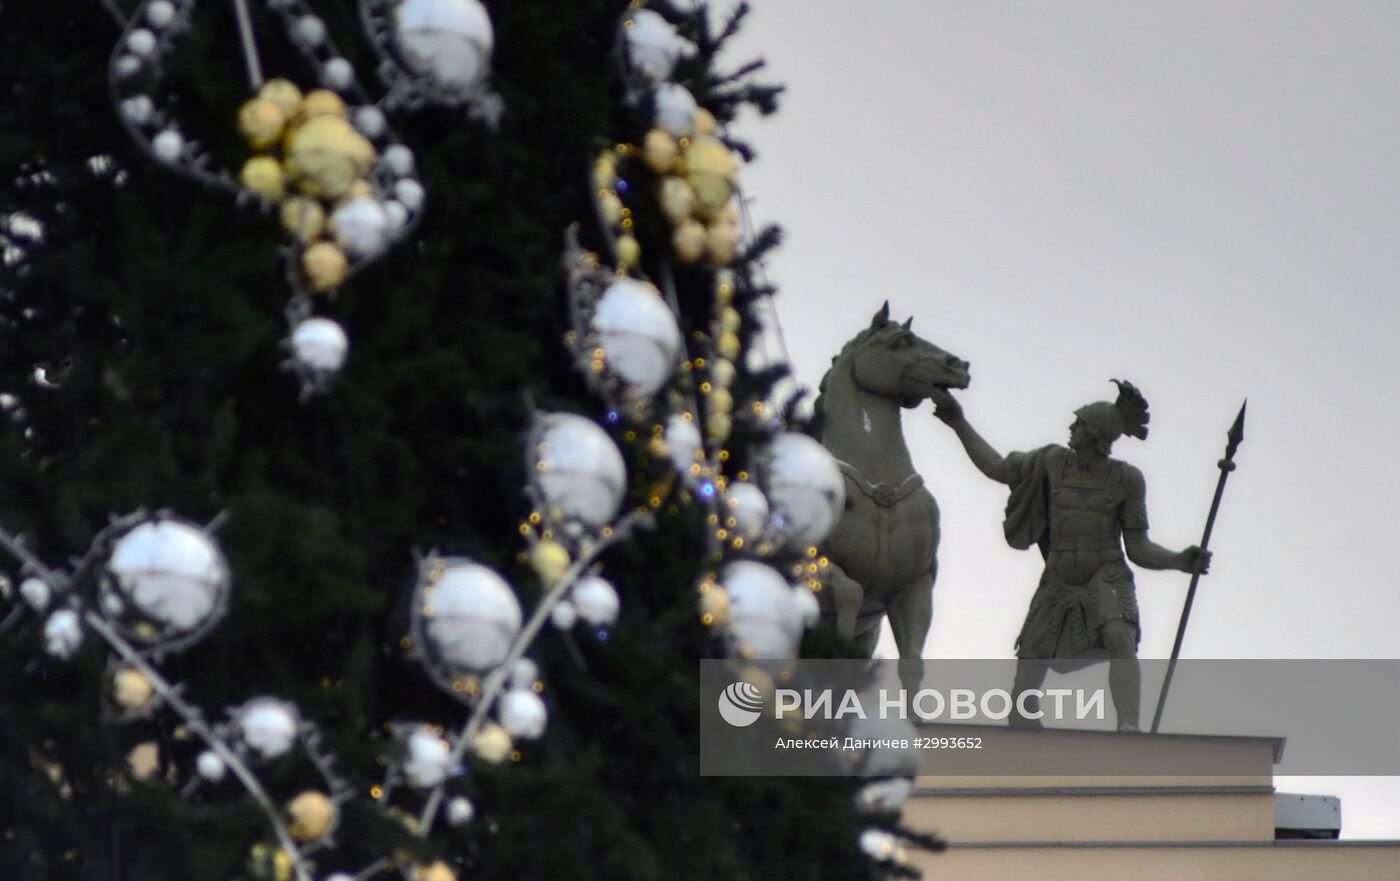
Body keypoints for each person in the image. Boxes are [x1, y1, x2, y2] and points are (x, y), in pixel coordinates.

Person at [930, 380, 1209, 732]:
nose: (1071, 428)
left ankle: (1128, 725)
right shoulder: (1050, 462)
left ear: (1095, 435)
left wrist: (1179, 560)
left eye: (1079, 424)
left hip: (1105, 574)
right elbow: (997, 467)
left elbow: (1138, 547)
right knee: (1029, 659)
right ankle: (1022, 729)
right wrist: (958, 421)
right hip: (1059, 576)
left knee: (1120, 638)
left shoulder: (1127, 479)